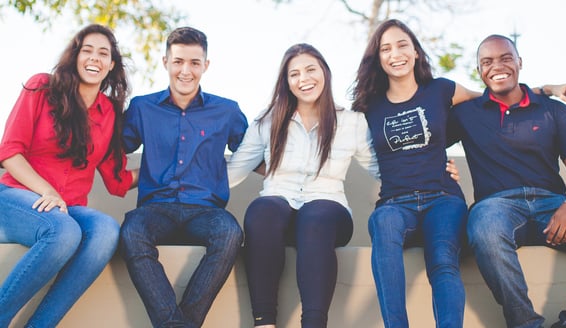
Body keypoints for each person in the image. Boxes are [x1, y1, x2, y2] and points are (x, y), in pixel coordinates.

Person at [349, 19, 566, 328]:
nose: (396, 54)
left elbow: (495, 96)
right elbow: (356, 150)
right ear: (377, 58)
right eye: (386, 48)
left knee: (444, 260)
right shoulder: (369, 106)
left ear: (416, 52)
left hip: (443, 197)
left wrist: (546, 89)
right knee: (382, 224)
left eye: (403, 45)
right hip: (395, 201)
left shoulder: (442, 89)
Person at [226, 43, 381, 328]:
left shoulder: (352, 122)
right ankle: (264, 322)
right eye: (294, 74)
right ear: (286, 82)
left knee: (315, 214)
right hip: (277, 213)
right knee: (262, 209)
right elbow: (234, 171)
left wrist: (431, 170)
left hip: (328, 213)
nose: (303, 79)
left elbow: (381, 169)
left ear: (324, 71)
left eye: (310, 69)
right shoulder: (268, 120)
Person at [448, 34, 566, 328]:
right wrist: (441, 166)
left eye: (505, 58)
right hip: (496, 208)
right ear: (479, 72)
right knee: (484, 228)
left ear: (519, 62)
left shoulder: (554, 110)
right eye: (486, 62)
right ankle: (525, 323)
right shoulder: (465, 113)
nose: (496, 66)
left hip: (553, 207)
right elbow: (423, 140)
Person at [0, 24, 137, 327]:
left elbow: (118, 182)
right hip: (14, 196)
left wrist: (168, 168)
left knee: (106, 231)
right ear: (75, 56)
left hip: (67, 207)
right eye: (87, 50)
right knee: (64, 232)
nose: (94, 58)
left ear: (111, 64)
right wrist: (47, 190)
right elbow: (9, 152)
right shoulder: (42, 87)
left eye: (103, 53)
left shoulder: (110, 112)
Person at [119, 26, 248, 328]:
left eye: (194, 62)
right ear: (165, 62)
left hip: (206, 211)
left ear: (206, 65)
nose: (185, 71)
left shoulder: (227, 111)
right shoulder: (142, 107)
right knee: (131, 232)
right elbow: (111, 149)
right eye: (178, 61)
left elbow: (256, 154)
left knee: (230, 234)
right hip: (155, 209)